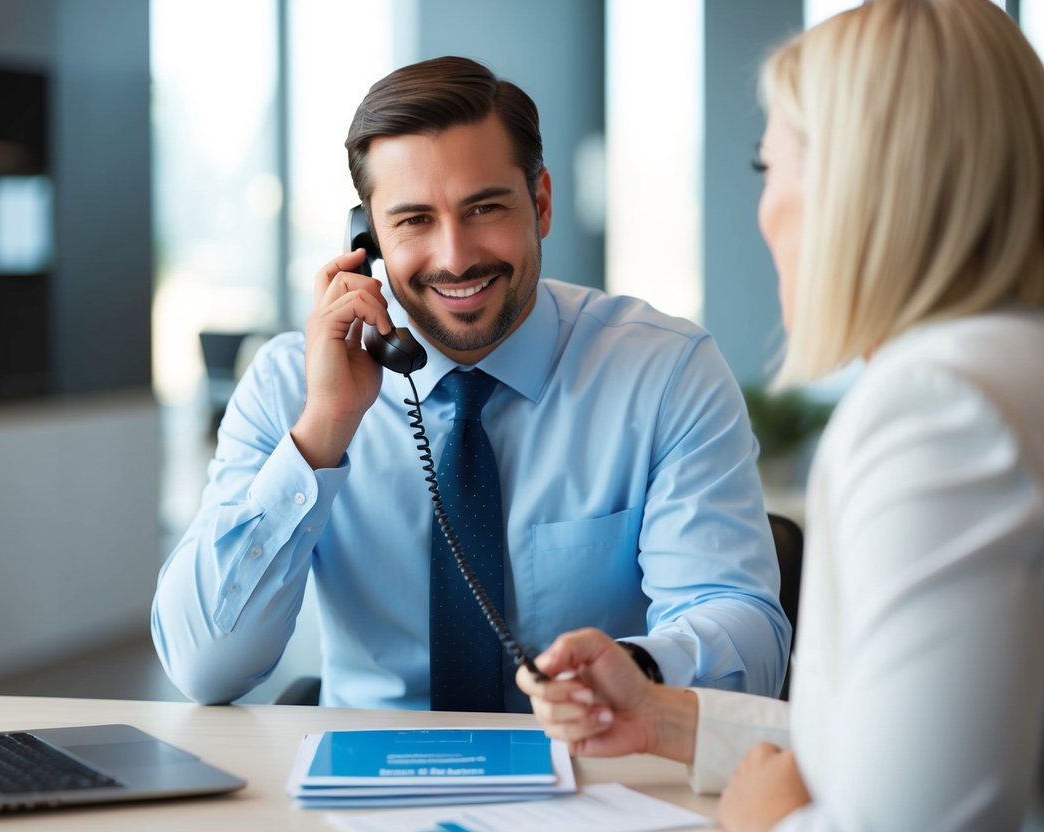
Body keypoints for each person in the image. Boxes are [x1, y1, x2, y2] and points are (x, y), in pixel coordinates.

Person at [518, 1, 1044, 829]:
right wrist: (665, 719)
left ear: (857, 187)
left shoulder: (936, 411)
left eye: (769, 169)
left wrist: (764, 821)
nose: (764, 212)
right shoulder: (1010, 373)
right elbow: (909, 740)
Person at [151, 55, 789, 713]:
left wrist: (635, 670)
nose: (454, 256)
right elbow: (205, 668)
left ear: (540, 203)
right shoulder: (291, 384)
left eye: (483, 208)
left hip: (592, 769)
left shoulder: (663, 373)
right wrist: (321, 433)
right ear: (365, 240)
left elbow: (747, 638)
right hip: (369, 789)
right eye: (414, 220)